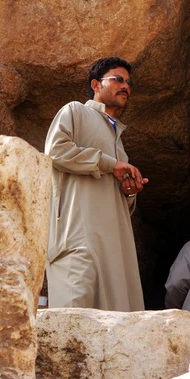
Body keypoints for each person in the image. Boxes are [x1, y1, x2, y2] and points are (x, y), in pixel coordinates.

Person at [45, 56, 148, 311]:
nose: (125, 86)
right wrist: (109, 164)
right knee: (73, 315)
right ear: (96, 84)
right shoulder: (75, 111)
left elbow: (118, 190)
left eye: (128, 83)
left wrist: (129, 192)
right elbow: (55, 151)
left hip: (113, 247)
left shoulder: (118, 142)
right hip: (77, 238)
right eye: (118, 79)